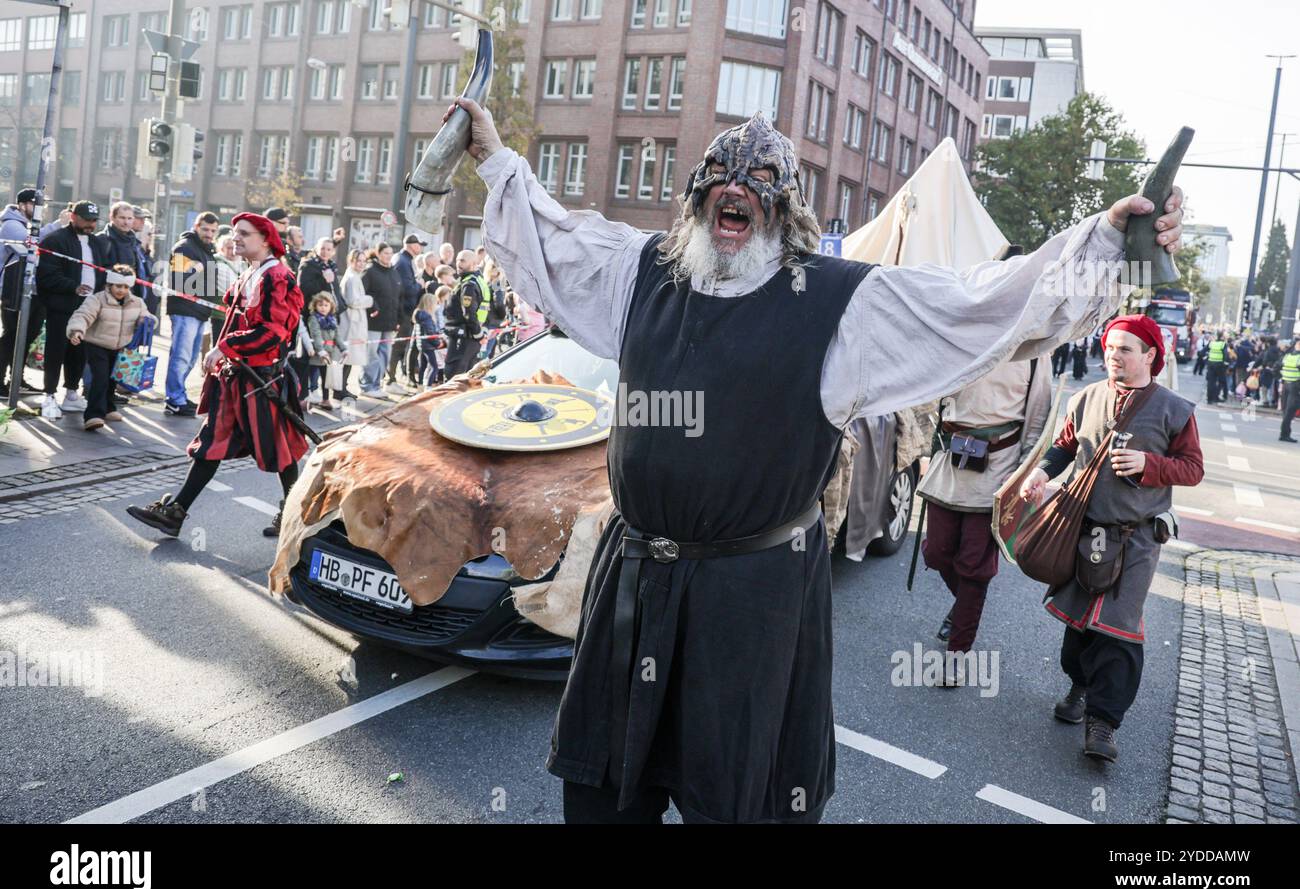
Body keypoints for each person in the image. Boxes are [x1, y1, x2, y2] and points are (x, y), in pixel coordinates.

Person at [451, 95, 1184, 822]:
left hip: (750, 595)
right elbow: (560, 238)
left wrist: (1104, 243)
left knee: (735, 798)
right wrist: (494, 158)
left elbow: (976, 303)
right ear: (698, 195)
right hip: (636, 580)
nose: (734, 190)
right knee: (605, 792)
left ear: (785, 207)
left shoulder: (839, 304)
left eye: (756, 180)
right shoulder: (644, 272)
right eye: (719, 177)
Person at [1020, 316, 1203, 763]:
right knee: (1079, 620)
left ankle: (1102, 723)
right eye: (1110, 347)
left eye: (1124, 349)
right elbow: (1064, 446)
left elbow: (1193, 469)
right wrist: (1040, 473)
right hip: (1084, 530)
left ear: (1150, 356)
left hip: (1137, 538)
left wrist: (1149, 464)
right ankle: (1079, 685)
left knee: (1118, 629)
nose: (1113, 355)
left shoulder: (1175, 409)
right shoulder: (1087, 397)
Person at [125, 212, 309, 539]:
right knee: (212, 443)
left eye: (244, 234)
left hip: (260, 380)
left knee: (278, 449)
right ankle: (175, 512)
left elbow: (273, 332)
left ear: (266, 240)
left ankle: (296, 515)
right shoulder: (252, 272)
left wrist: (225, 347)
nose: (235, 238)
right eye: (235, 232)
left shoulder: (276, 276)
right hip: (238, 377)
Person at [919, 247, 1051, 661]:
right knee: (936, 552)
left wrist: (1026, 471)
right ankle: (962, 610)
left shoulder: (1034, 346)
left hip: (998, 465)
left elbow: (1039, 412)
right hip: (951, 460)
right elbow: (931, 393)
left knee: (974, 566)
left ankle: (959, 652)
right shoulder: (962, 336)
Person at [65, 265, 156, 430]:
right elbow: (83, 315)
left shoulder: (137, 302)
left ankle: (108, 408)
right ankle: (93, 415)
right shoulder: (97, 299)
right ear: (110, 284)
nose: (122, 290)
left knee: (113, 379)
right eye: (118, 286)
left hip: (121, 346)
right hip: (97, 344)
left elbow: (146, 316)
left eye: (126, 287)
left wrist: (147, 321)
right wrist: (76, 331)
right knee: (100, 378)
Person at [34, 200, 102, 418]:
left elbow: (102, 270)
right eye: (86, 220)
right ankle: (49, 395)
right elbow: (47, 275)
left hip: (88, 308)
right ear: (73, 217)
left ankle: (71, 392)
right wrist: (73, 287)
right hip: (62, 307)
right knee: (56, 350)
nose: (91, 224)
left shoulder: (96, 242)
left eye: (94, 220)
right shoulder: (55, 240)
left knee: (79, 351)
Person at [165, 211, 222, 417]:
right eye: (205, 229)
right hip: (184, 310)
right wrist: (194, 270)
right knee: (180, 356)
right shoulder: (184, 248)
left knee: (189, 358)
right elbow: (177, 279)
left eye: (213, 231)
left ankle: (178, 395)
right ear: (196, 227)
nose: (209, 234)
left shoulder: (206, 250)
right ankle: (174, 399)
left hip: (200, 311)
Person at [0, 188, 43, 397]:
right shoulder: (11, 225)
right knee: (11, 335)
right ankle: (0, 380)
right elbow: (32, 246)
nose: (38, 210)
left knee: (27, 335)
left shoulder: (29, 226)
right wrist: (55, 226)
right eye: (35, 205)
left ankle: (17, 377)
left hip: (30, 289)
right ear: (23, 205)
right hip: (13, 288)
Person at [96, 201, 157, 316]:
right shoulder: (102, 240)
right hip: (107, 303)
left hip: (131, 301)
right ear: (112, 217)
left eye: (129, 218)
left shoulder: (134, 242)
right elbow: (97, 273)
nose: (126, 222)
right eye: (122, 218)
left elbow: (139, 272)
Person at [359, 243, 401, 397]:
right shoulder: (369, 271)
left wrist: (398, 319)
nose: (388, 256)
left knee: (385, 355)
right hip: (373, 322)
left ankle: (377, 384)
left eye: (391, 253)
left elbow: (397, 298)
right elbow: (363, 293)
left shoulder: (394, 273)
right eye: (385, 253)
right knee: (371, 354)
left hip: (389, 323)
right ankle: (367, 386)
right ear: (378, 254)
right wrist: (373, 308)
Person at [390, 233, 425, 392]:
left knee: (401, 346)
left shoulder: (406, 260)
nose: (421, 247)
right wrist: (420, 285)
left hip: (407, 310)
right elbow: (406, 288)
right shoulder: (402, 261)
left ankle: (393, 378)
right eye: (419, 244)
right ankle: (390, 380)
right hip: (403, 311)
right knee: (398, 346)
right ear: (412, 245)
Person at [443, 249, 485, 377]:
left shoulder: (469, 285)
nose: (458, 263)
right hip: (464, 336)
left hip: (464, 337)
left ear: (473, 264)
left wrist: (478, 333)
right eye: (457, 260)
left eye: (462, 260)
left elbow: (469, 313)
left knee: (454, 375)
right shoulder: (467, 280)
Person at [337, 248, 371, 399]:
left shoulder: (355, 276)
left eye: (364, 261)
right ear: (352, 261)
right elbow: (352, 301)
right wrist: (369, 300)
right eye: (359, 261)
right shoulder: (352, 278)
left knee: (349, 358)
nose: (362, 264)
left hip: (354, 322)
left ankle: (343, 388)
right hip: (350, 323)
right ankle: (340, 390)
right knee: (346, 357)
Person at [305, 291, 339, 410]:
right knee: (312, 376)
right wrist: (321, 350)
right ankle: (308, 397)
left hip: (328, 354)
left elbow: (337, 336)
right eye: (320, 305)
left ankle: (325, 400)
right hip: (317, 354)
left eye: (326, 305)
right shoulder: (314, 319)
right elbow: (316, 335)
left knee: (326, 378)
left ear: (331, 306)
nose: (323, 308)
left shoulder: (332, 319)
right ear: (315, 306)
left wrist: (344, 349)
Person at [297, 236, 345, 319]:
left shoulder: (332, 266)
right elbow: (303, 288)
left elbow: (335, 289)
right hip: (314, 315)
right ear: (316, 249)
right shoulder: (308, 265)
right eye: (322, 248)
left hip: (332, 315)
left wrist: (342, 304)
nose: (325, 252)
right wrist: (322, 279)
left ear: (333, 251)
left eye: (328, 249)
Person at [412, 290, 442, 388]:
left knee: (423, 366)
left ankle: (420, 386)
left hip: (421, 345)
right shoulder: (427, 317)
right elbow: (430, 333)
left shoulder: (419, 315)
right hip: (428, 346)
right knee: (434, 367)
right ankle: (428, 387)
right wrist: (438, 343)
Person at [1279, 340, 1300, 443]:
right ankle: (1284, 434)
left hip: (1286, 385)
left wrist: (1282, 379)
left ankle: (1284, 433)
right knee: (1290, 411)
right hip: (1295, 386)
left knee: (1286, 410)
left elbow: (1277, 366)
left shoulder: (1287, 356)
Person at [1205, 331, 1228, 404]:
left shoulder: (1211, 343)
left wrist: (1204, 357)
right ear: (1221, 337)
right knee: (1221, 381)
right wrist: (1226, 363)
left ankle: (1209, 399)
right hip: (1219, 365)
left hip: (1210, 364)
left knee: (1211, 382)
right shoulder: (1223, 344)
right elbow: (1225, 355)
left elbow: (1202, 351)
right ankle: (1216, 397)